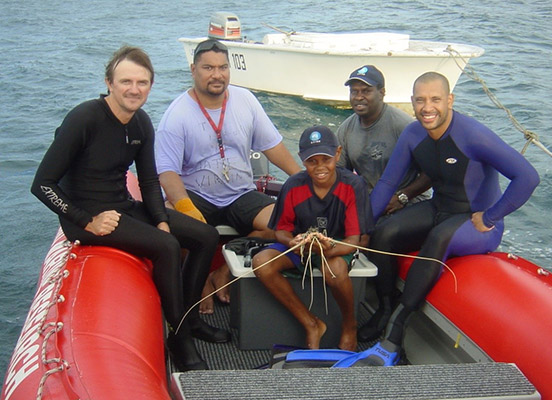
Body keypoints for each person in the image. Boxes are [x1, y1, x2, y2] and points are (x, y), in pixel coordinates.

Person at [30, 46, 227, 371]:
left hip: (122, 206)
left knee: (206, 235)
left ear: (150, 85)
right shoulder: (85, 118)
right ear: (109, 82)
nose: (134, 89)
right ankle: (178, 339)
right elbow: (42, 184)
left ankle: (190, 321)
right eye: (126, 81)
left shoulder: (140, 123)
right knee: (166, 247)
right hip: (88, 217)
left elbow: (149, 182)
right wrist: (85, 220)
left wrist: (161, 219)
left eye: (142, 82)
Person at [336, 71, 540, 366]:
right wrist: (361, 228)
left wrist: (493, 215)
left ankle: (395, 331)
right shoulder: (413, 134)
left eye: (435, 99)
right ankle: (384, 307)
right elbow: (386, 185)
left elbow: (528, 177)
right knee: (385, 233)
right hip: (439, 208)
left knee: (439, 237)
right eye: (420, 100)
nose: (427, 107)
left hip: (475, 222)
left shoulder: (473, 135)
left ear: (450, 100)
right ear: (412, 102)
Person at [155, 39, 301, 313]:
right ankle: (199, 283)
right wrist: (186, 207)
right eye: (208, 67)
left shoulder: (245, 99)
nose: (217, 74)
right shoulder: (176, 115)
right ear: (193, 69)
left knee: (283, 224)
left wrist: (303, 181)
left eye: (223, 67)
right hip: (196, 194)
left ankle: (223, 270)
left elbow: (272, 147)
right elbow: (167, 172)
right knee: (177, 224)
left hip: (241, 193)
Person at [252, 126, 374, 351]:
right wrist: (292, 242)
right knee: (262, 263)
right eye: (311, 161)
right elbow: (281, 230)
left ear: (337, 154)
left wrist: (327, 249)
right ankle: (311, 323)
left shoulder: (353, 185)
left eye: (325, 159)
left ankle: (349, 327)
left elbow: (354, 240)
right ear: (301, 160)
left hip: (335, 248)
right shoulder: (293, 185)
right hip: (301, 248)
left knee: (335, 271)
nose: (319, 167)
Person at [337, 65, 431, 214]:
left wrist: (403, 197)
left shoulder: (404, 126)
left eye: (366, 91)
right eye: (354, 91)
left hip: (408, 203)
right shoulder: (345, 129)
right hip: (370, 203)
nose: (359, 97)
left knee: (385, 235)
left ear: (382, 93)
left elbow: (431, 172)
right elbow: (341, 175)